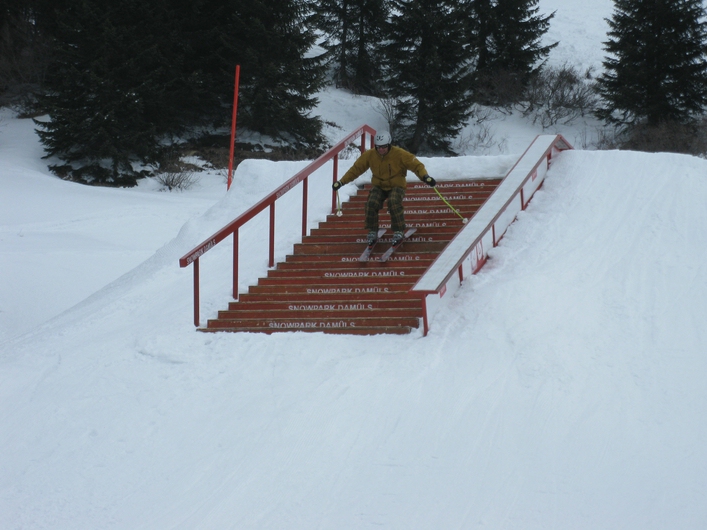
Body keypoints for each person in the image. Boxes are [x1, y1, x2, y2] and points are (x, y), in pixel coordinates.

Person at [332, 131, 436, 246]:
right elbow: (356, 169)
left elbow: (416, 165)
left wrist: (425, 177)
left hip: (396, 185)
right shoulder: (370, 155)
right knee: (371, 203)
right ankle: (372, 230)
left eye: (384, 147)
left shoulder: (399, 154)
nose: (381, 150)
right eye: (378, 147)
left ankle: (398, 230)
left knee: (393, 201)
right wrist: (341, 182)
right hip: (379, 186)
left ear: (389, 144)